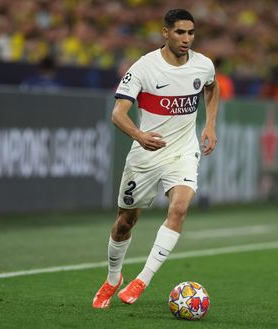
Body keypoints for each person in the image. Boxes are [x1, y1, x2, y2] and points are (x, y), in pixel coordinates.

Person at [92, 9, 220, 309]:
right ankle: (113, 279)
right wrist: (139, 135)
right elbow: (117, 114)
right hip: (146, 154)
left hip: (182, 152)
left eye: (190, 33)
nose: (186, 39)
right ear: (165, 32)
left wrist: (210, 124)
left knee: (179, 209)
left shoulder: (203, 65)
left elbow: (212, 87)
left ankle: (142, 280)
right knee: (125, 223)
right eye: (179, 32)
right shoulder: (144, 68)